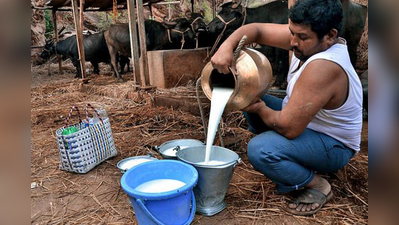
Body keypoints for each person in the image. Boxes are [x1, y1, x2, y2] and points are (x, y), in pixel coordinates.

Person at [211, 0, 363, 216]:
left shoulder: (325, 66)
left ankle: (316, 184)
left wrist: (261, 109)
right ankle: (287, 157)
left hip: (333, 145)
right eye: (291, 32)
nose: (292, 42)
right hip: (309, 127)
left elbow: (290, 128)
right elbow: (253, 30)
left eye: (301, 37)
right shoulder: (307, 39)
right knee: (247, 95)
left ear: (330, 35)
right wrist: (226, 46)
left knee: (260, 149)